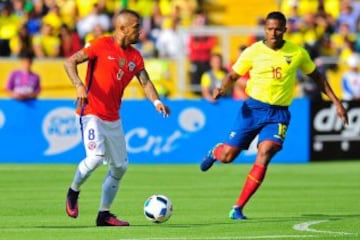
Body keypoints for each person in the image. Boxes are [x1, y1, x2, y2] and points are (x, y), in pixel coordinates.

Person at [200, 11, 348, 220]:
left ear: (285, 30)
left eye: (278, 29)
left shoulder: (297, 53)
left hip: (278, 113)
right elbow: (234, 74)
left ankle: (238, 207)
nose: (273, 33)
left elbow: (318, 77)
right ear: (265, 30)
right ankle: (215, 152)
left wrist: (337, 102)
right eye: (270, 29)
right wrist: (222, 88)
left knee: (266, 151)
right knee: (228, 156)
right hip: (253, 109)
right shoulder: (253, 51)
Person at [64, 9, 170, 227]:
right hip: (90, 112)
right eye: (136, 27)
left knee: (120, 168)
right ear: (122, 29)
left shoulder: (135, 56)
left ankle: (104, 214)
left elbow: (145, 82)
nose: (141, 32)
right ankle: (73, 191)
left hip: (113, 118)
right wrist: (79, 85)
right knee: (94, 158)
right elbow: (70, 62)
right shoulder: (99, 45)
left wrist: (157, 102)